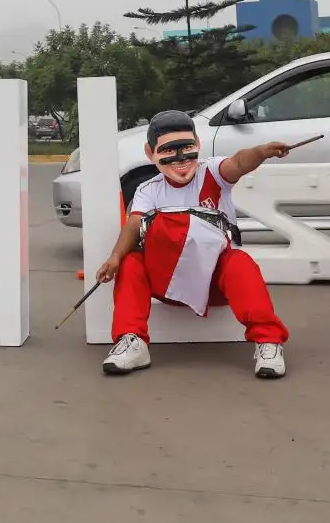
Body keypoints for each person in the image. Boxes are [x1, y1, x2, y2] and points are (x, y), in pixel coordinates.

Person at [94, 111, 293, 379]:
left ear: (198, 144)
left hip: (214, 282)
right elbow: (133, 224)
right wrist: (115, 257)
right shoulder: (148, 190)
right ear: (150, 152)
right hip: (166, 282)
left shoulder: (212, 173)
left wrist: (259, 152)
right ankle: (132, 341)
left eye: (186, 148)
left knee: (240, 263)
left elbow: (237, 163)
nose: (179, 158)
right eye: (168, 149)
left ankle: (268, 341)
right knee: (131, 263)